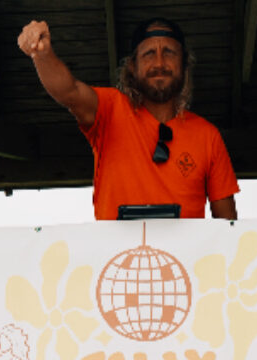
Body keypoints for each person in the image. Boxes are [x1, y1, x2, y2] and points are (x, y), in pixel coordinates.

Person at [18, 17, 239, 220]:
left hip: (184, 263)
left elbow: (229, 227)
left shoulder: (207, 135)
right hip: (116, 261)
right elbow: (69, 91)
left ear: (184, 65)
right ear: (132, 67)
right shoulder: (110, 110)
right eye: (149, 53)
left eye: (170, 52)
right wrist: (42, 54)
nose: (160, 63)